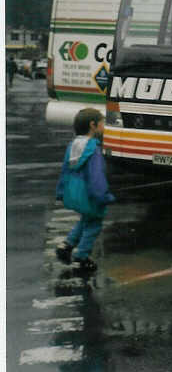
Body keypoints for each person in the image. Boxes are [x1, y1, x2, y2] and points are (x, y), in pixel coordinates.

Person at [55, 108, 115, 273]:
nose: (104, 127)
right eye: (102, 124)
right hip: (90, 195)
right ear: (93, 125)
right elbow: (96, 177)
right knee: (94, 225)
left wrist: (61, 191)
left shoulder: (73, 145)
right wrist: (103, 196)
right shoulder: (93, 149)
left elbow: (65, 170)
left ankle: (66, 245)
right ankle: (81, 257)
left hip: (74, 192)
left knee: (85, 220)